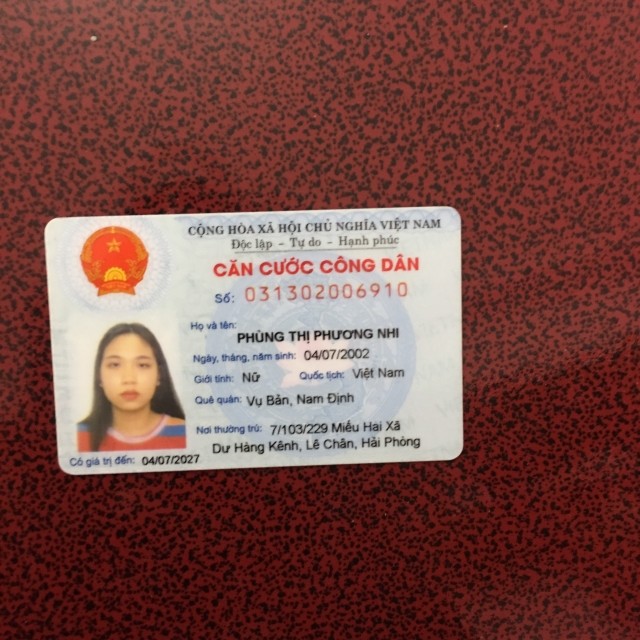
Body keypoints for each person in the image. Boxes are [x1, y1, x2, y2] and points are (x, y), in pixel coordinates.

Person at [78, 323, 186, 452]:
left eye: (142, 365)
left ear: (159, 375)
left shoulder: (187, 433)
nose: (129, 379)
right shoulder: (76, 438)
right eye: (115, 365)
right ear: (99, 376)